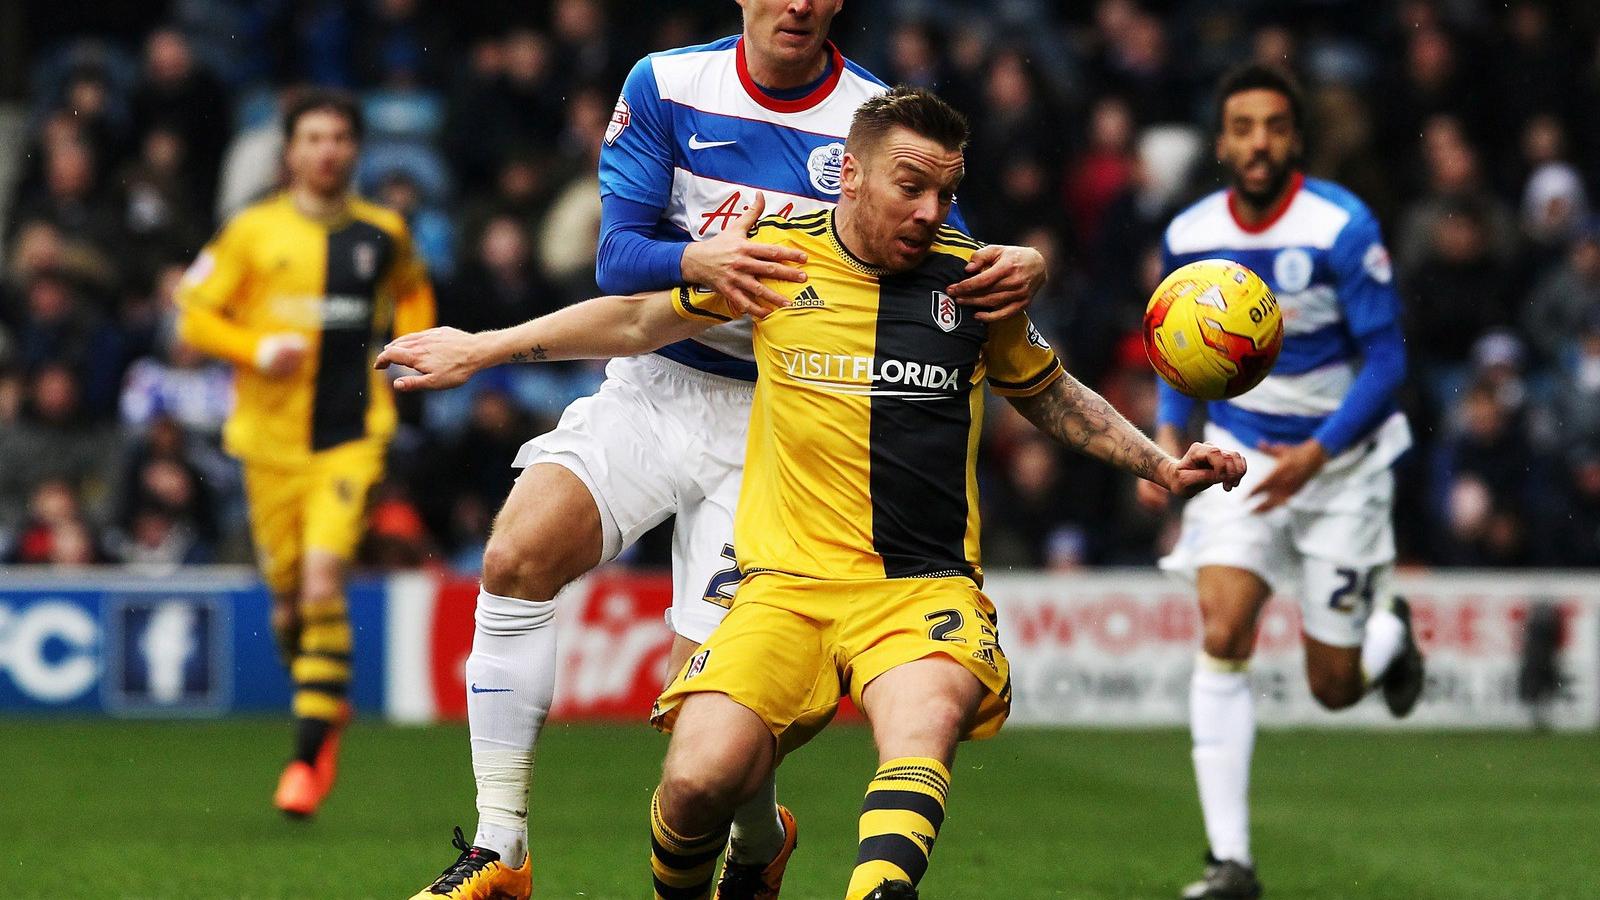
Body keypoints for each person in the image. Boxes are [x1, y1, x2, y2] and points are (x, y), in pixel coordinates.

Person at [381, 85, 1244, 900]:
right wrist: (482, 348)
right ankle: (555, 848)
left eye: (946, 194)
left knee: (924, 719)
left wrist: (1160, 466)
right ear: (852, 173)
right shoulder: (776, 259)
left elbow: (1048, 390)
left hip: (917, 587)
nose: (931, 213)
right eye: (911, 187)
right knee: (692, 783)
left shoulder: (971, 282)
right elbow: (641, 318)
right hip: (784, 588)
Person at [405, 3, 1047, 898]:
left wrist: (1027, 265)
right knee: (515, 554)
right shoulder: (666, 84)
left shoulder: (870, 119)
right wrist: (693, 262)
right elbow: (619, 261)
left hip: (780, 424)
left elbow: (949, 262)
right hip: (654, 380)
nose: (798, 5)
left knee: (706, 736)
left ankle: (758, 840)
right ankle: (500, 847)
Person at [1137, 65, 1426, 900]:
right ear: (1221, 140)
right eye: (1241, 126)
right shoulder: (1190, 233)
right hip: (1243, 458)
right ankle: (1231, 864)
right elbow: (1173, 350)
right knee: (1223, 629)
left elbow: (1388, 360)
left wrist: (1321, 453)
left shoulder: (1340, 224)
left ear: (1293, 138)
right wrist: (1165, 441)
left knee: (1333, 689)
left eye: (1272, 125)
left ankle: (1390, 637)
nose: (1257, 141)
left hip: (1341, 464)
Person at [175, 90, 436, 819]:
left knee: (324, 578)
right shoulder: (251, 233)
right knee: (289, 607)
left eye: (339, 138)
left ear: (355, 149)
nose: (327, 151)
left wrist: (406, 351)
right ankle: (325, 700)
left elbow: (414, 292)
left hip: (351, 437)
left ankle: (305, 755)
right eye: (313, 138)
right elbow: (194, 315)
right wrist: (256, 346)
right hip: (268, 444)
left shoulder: (383, 232)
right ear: (290, 151)